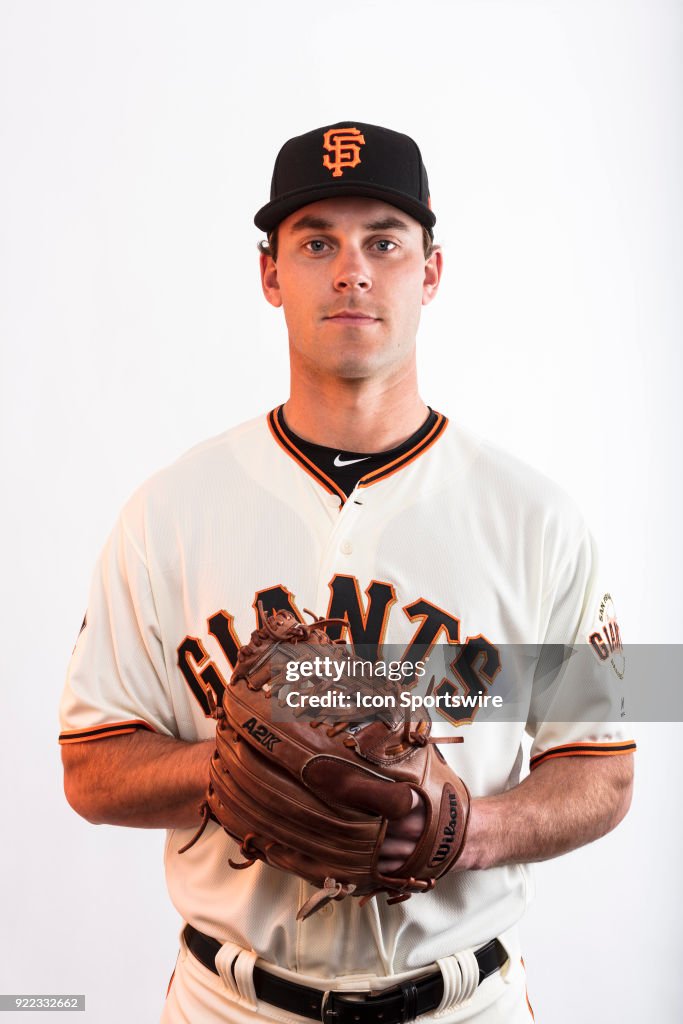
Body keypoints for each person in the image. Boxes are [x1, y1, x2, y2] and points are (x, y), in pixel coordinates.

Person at [60, 121, 635, 1023]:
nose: (351, 270)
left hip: (465, 1005)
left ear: (430, 272)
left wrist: (465, 833)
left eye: (384, 242)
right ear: (269, 274)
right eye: (316, 241)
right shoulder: (166, 512)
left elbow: (600, 770)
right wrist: (245, 770)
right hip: (231, 1005)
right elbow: (90, 767)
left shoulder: (538, 518)